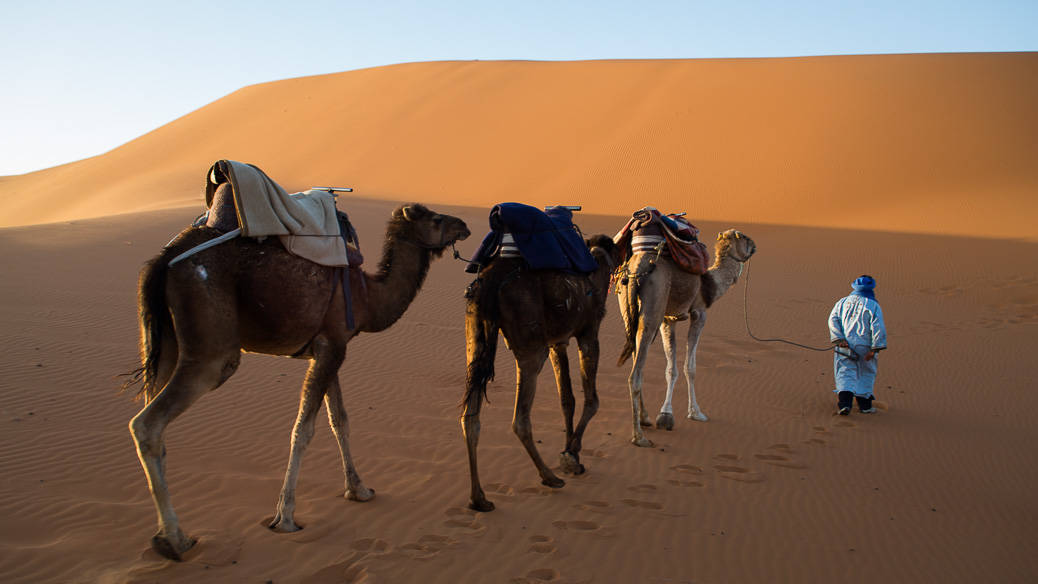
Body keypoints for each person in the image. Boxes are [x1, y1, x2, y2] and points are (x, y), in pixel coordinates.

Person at [828, 275, 887, 415]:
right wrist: (875, 348)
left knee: (844, 371)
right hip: (865, 345)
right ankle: (865, 406)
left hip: (845, 344)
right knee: (866, 373)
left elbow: (833, 320)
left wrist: (839, 339)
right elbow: (878, 327)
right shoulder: (873, 305)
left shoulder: (842, 302)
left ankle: (845, 403)